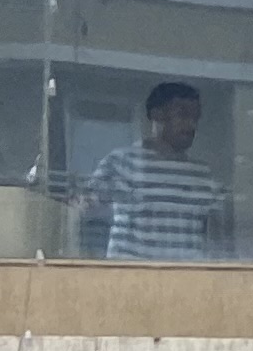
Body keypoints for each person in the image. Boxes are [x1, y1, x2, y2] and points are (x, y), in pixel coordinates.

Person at [74, 80, 221, 261]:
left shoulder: (202, 174)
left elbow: (216, 235)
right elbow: (82, 213)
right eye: (183, 115)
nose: (191, 125)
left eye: (195, 118)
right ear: (156, 115)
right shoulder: (121, 162)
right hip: (131, 273)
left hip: (187, 275)